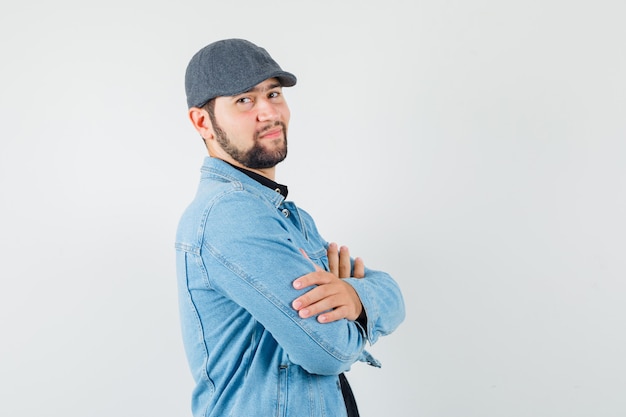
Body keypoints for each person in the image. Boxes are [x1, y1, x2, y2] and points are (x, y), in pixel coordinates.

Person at [175, 38, 405, 417]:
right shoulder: (231, 215)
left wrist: (355, 294)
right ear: (203, 122)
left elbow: (394, 293)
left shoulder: (283, 214)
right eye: (244, 100)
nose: (269, 112)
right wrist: (362, 304)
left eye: (274, 93)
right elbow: (328, 349)